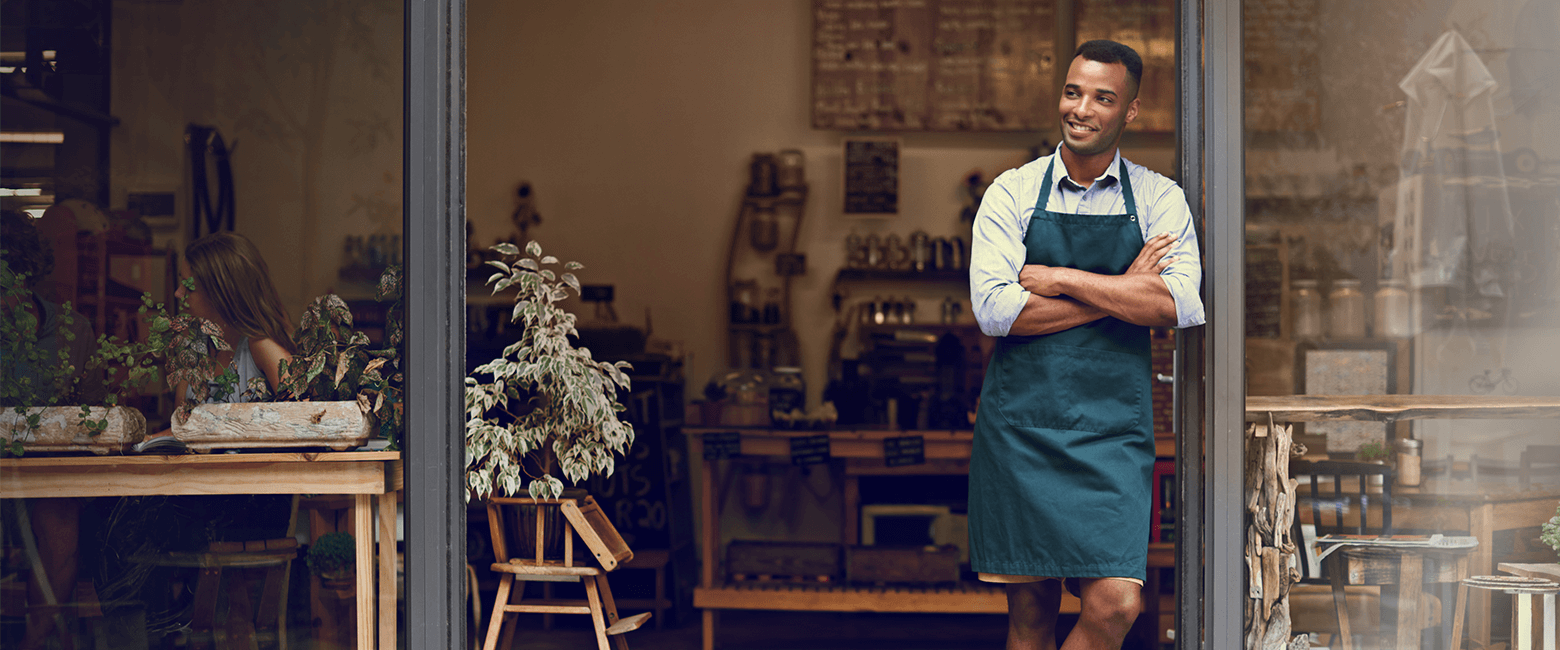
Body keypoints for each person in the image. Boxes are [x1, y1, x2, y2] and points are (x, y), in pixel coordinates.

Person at [967, 40, 1205, 650]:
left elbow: (1176, 304)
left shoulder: (1159, 197)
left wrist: (1062, 279)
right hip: (1022, 429)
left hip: (1110, 437)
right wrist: (1122, 290)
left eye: (1103, 97)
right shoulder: (1011, 193)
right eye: (1074, 92)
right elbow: (996, 312)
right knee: (1030, 608)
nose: (1082, 108)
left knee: (1117, 603)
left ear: (1130, 111)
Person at [2, 210, 100, 650]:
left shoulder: (72, 331)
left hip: (47, 471)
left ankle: (33, 642)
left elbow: (94, 418)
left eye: (10, 284)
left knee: (61, 530)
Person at [134, 230, 296, 451]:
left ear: (221, 293)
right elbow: (183, 429)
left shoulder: (262, 346)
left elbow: (304, 423)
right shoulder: (192, 348)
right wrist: (144, 441)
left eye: (188, 286)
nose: (178, 293)